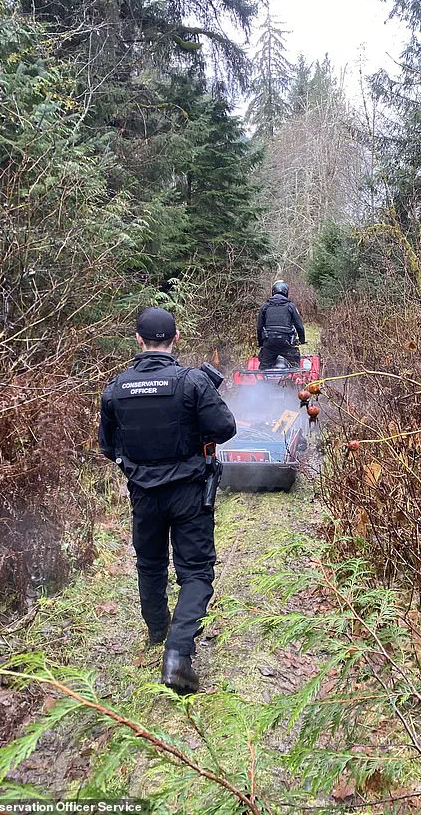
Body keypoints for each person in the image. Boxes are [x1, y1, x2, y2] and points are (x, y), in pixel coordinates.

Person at [98, 307, 236, 695]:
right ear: (175, 339)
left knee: (150, 563)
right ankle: (177, 654)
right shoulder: (192, 381)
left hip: (144, 494)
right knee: (195, 572)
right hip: (189, 492)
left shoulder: (115, 388)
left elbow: (108, 447)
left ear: (138, 341)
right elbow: (226, 427)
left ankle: (157, 629)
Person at [256, 281, 306, 370]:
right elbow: (299, 326)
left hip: (269, 342)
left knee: (263, 368)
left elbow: (259, 327)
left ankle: (262, 383)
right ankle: (295, 383)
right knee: (295, 367)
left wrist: (261, 343)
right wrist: (302, 340)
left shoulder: (265, 306)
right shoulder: (290, 306)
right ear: (286, 292)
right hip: (286, 342)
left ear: (273, 291)